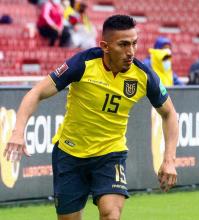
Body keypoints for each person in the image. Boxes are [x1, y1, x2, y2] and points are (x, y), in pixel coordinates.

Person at [4, 15, 178, 220]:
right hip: (70, 153)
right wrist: (17, 132)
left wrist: (169, 160)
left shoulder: (143, 75)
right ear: (105, 46)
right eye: (123, 45)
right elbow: (36, 93)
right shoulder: (83, 63)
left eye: (134, 43)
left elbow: (169, 114)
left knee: (111, 214)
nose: (130, 52)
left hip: (110, 153)